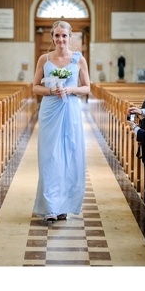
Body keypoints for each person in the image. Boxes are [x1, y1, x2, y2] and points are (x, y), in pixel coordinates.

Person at [32, 20, 90, 222]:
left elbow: (87, 88)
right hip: (50, 110)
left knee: (69, 157)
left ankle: (64, 205)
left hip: (71, 109)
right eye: (57, 35)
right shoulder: (44, 59)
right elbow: (35, 87)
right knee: (50, 158)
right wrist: (50, 90)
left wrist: (70, 89)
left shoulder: (79, 60)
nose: (60, 39)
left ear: (70, 37)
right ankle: (50, 207)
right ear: (52, 38)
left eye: (64, 35)